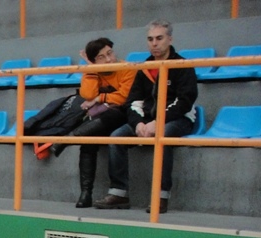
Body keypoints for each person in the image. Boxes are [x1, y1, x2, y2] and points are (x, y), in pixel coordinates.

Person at [94, 20, 198, 214]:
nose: (154, 43)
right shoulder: (144, 68)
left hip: (179, 119)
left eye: (159, 38)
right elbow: (133, 101)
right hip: (147, 121)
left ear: (170, 39)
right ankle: (119, 194)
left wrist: (157, 122)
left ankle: (161, 196)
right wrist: (139, 123)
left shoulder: (183, 65)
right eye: (150, 39)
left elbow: (185, 102)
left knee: (163, 135)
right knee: (116, 137)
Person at [61, 38, 136, 207]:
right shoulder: (94, 71)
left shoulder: (127, 69)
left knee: (113, 115)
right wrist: (92, 70)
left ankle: (67, 139)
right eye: (101, 57)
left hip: (125, 116)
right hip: (102, 120)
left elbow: (123, 97)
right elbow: (87, 94)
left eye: (110, 53)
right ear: (95, 61)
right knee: (88, 142)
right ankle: (85, 194)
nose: (109, 59)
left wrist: (99, 98)